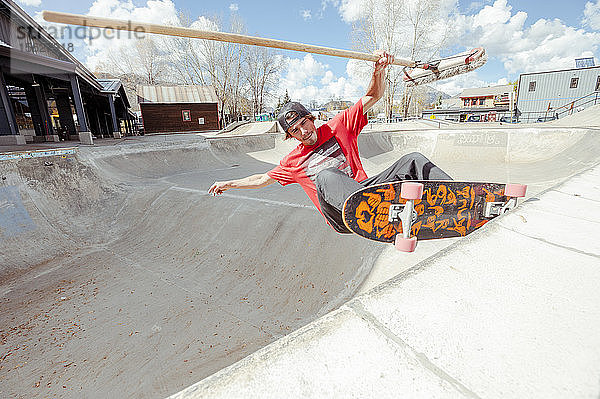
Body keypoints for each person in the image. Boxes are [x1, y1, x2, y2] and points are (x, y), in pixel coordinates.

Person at [209, 50, 451, 233]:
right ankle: (375, 212)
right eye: (295, 131)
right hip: (341, 215)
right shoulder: (292, 162)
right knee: (327, 175)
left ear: (310, 119)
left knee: (414, 161)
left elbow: (373, 96)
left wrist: (378, 71)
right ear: (291, 136)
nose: (303, 132)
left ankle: (458, 201)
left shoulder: (338, 126)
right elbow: (260, 179)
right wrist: (229, 183)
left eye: (304, 123)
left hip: (366, 192)